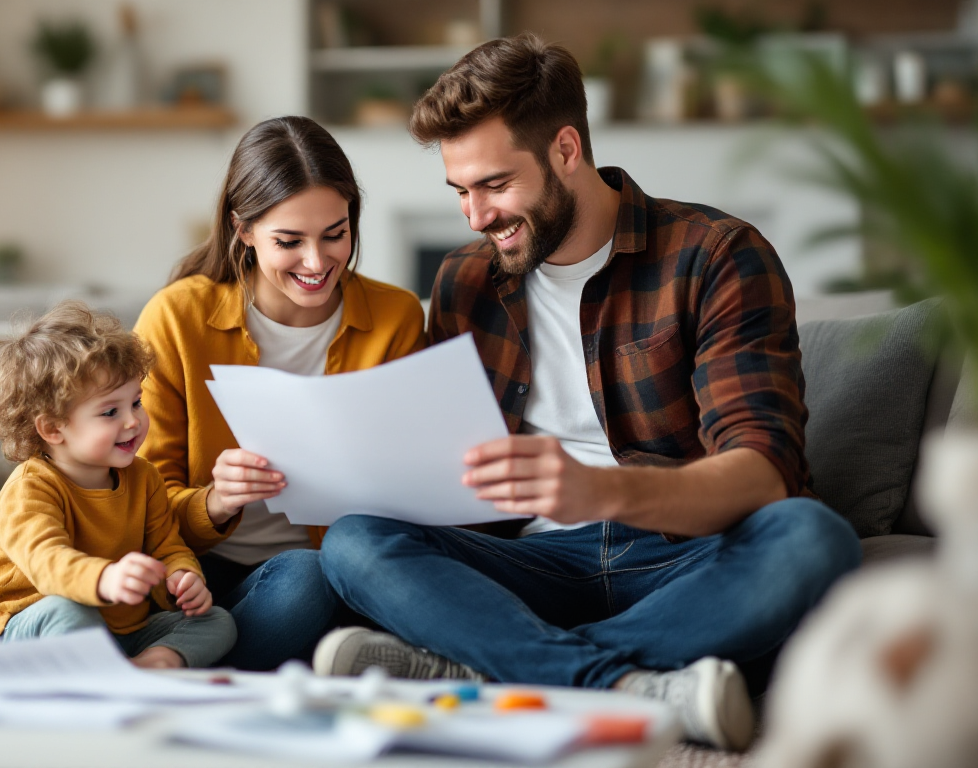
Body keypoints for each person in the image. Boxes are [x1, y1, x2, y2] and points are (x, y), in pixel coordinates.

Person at [311, 34, 862, 750]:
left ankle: (492, 668)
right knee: (355, 540)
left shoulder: (716, 256)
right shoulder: (463, 281)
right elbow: (450, 470)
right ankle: (621, 686)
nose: (475, 216)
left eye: (495, 185)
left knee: (813, 538)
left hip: (683, 560)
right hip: (529, 565)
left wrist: (600, 490)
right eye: (461, 192)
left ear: (566, 149)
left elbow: (763, 473)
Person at [134, 116, 426, 671]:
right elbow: (141, 502)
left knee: (318, 577)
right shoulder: (176, 318)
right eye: (289, 242)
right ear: (243, 229)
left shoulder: (396, 317)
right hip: (195, 580)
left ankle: (185, 669)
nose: (317, 263)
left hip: (329, 571)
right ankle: (199, 659)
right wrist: (216, 501)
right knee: (310, 591)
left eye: (335, 234)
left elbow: (414, 478)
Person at [0, 301, 235, 669]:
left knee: (216, 620)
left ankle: (148, 664)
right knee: (68, 611)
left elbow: (167, 546)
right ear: (53, 428)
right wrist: (106, 578)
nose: (133, 421)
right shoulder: (29, 489)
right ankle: (98, 665)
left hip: (120, 630)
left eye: (136, 403)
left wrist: (182, 578)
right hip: (27, 621)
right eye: (110, 412)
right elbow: (48, 562)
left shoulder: (144, 477)